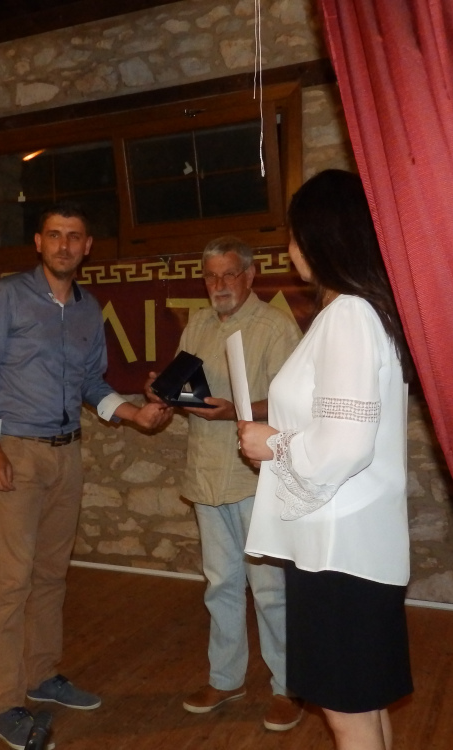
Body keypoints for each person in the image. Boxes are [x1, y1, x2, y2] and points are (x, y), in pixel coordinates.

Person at [0, 202, 172, 750]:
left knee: (52, 574)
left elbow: (91, 383)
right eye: (54, 235)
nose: (63, 245)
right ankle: (6, 704)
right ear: (38, 242)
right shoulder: (9, 296)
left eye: (74, 236)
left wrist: (134, 415)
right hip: (16, 452)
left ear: (87, 246)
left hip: (67, 455)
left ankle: (42, 674)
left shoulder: (87, 309)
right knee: (11, 583)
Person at [238, 169, 415, 750]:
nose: (290, 249)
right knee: (364, 706)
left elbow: (344, 443)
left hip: (340, 549)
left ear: (324, 236)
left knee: (347, 715)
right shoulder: (365, 312)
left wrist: (272, 444)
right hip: (353, 542)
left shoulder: (349, 316)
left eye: (294, 235)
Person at [146, 236, 304, 730]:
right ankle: (226, 677)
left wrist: (238, 411)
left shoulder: (276, 327)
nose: (219, 284)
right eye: (211, 275)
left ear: (250, 275)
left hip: (256, 477)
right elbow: (187, 387)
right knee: (221, 585)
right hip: (206, 474)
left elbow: (294, 404)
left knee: (270, 589)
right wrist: (162, 391)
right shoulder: (197, 323)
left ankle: (288, 687)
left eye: (229, 274)